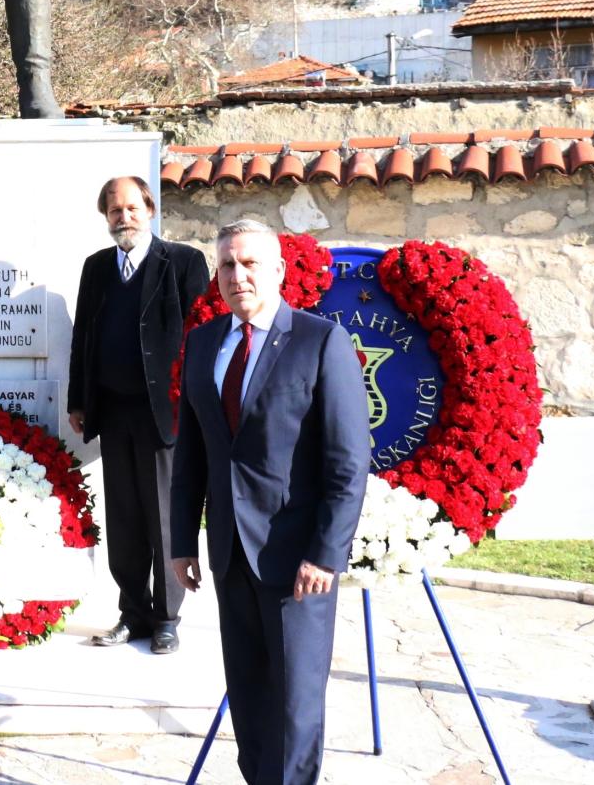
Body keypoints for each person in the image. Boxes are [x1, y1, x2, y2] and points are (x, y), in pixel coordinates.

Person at [169, 219, 369, 785]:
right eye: (228, 265)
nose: (238, 275)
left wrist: (326, 555)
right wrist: (183, 540)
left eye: (251, 263)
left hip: (296, 561)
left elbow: (348, 461)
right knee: (251, 698)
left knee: (294, 707)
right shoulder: (205, 341)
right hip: (231, 556)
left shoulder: (319, 341)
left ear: (278, 271)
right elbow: (194, 452)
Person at [67, 175, 209, 653]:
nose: (123, 218)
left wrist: (196, 402)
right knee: (124, 517)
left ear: (149, 209)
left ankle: (167, 617)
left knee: (163, 515)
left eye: (131, 208)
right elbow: (83, 334)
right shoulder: (96, 267)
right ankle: (133, 612)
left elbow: (202, 335)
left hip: (164, 412)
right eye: (113, 211)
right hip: (113, 409)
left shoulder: (183, 262)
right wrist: (78, 400)